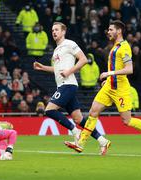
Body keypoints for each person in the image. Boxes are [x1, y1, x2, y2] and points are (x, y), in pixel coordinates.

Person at [65, 20, 141, 153]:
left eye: (111, 29)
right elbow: (116, 66)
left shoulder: (124, 47)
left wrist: (109, 74)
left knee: (127, 121)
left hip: (120, 89)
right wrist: (108, 80)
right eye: (108, 29)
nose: (108, 32)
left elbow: (129, 69)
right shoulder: (115, 46)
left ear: (119, 31)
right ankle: (81, 143)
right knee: (93, 112)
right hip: (109, 87)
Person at [33, 22, 111, 155]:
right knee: (78, 119)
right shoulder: (56, 50)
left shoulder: (69, 43)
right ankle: (102, 140)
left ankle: (75, 131)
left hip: (68, 84)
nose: (54, 32)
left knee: (49, 110)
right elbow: (58, 70)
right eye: (52, 30)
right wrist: (43, 68)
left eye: (56, 30)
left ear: (63, 32)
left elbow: (83, 59)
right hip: (64, 84)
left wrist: (69, 71)